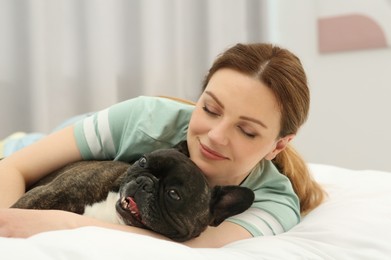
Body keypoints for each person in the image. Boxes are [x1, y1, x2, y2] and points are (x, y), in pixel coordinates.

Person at [0, 43, 324, 248]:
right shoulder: (144, 120)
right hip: (41, 146)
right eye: (210, 109)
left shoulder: (273, 202)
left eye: (247, 130)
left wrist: (66, 223)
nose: (215, 135)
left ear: (278, 146)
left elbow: (197, 248)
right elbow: (15, 165)